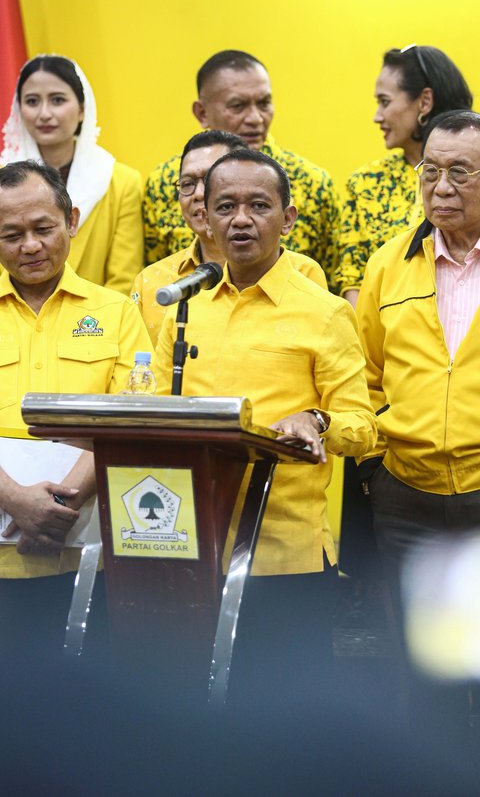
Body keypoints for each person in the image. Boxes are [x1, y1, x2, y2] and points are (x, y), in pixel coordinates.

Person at [156, 148, 376, 698]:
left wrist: (316, 419)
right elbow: (154, 410)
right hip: (188, 547)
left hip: (285, 552)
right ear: (203, 216)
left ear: (289, 217)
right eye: (225, 205)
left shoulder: (324, 312)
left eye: (259, 205)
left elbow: (364, 426)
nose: (241, 219)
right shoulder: (185, 309)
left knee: (285, 717)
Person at [356, 110, 480, 732]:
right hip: (409, 500)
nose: (441, 187)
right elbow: (367, 375)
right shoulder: (389, 265)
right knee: (427, 671)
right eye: (430, 170)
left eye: (460, 171)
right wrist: (378, 462)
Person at [0, 159, 153, 661]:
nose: (29, 246)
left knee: (82, 705)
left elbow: (132, 417)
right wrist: (16, 500)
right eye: (11, 234)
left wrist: (57, 507)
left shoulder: (115, 313)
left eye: (43, 228)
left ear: (72, 221)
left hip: (88, 552)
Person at [143, 50, 341, 289]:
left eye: (264, 103)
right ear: (202, 112)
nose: (256, 119)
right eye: (238, 106)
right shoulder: (164, 183)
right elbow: (156, 277)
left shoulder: (312, 182)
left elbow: (329, 283)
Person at [134, 129, 328, 346]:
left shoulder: (302, 272)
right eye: (188, 183)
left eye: (209, 179)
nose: (198, 193)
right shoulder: (151, 281)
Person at [336, 44, 473, 307]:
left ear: (424, 101)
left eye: (385, 101)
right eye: (430, 171)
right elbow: (352, 280)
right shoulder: (365, 183)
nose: (378, 116)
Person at [1, 54, 144, 295]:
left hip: (97, 322)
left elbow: (123, 279)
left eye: (57, 100)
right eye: (32, 101)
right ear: (19, 108)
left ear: (82, 109)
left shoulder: (119, 181)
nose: (44, 113)